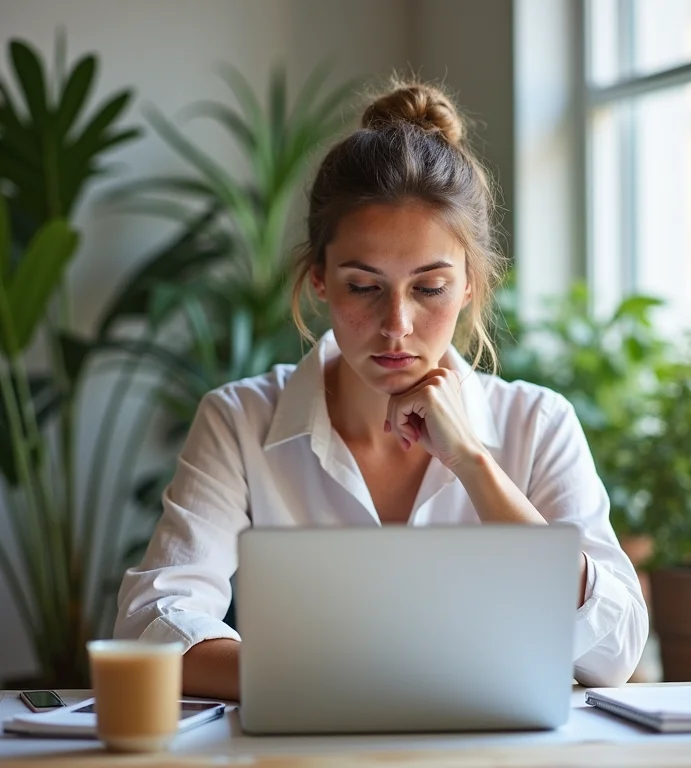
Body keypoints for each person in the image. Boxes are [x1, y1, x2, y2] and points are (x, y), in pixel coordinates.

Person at [115, 80, 649, 701]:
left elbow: (615, 651)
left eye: (429, 288)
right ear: (319, 279)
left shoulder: (538, 423)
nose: (397, 325)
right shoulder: (241, 420)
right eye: (364, 286)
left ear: (470, 285)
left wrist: (474, 465)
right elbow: (153, 621)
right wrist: (326, 678)